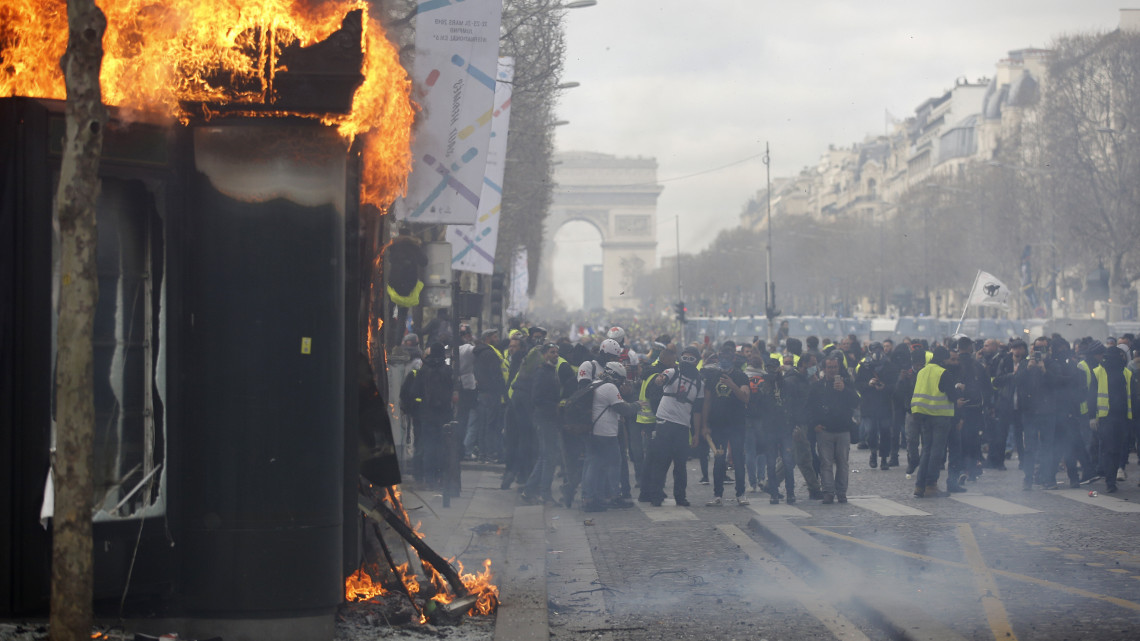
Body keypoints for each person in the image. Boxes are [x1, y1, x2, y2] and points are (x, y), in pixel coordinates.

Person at [640, 346, 705, 507]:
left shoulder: (699, 383)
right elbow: (661, 379)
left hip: (682, 427)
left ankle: (680, 497)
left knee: (681, 465)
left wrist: (696, 433)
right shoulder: (672, 372)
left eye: (692, 359)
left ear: (697, 361)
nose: (687, 361)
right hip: (664, 423)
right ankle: (655, 495)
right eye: (685, 357)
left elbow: (697, 411)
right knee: (660, 461)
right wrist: (659, 380)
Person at [582, 362, 642, 512]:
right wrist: (637, 405)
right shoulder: (609, 387)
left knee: (595, 465)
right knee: (614, 464)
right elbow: (623, 409)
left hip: (593, 431)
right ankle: (615, 496)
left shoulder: (595, 383)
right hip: (606, 432)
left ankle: (592, 498)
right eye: (622, 380)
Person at [521, 344, 573, 504]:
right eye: (552, 352)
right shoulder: (542, 372)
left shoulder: (551, 371)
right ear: (544, 355)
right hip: (545, 419)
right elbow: (537, 398)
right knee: (549, 457)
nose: (556, 355)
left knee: (545, 456)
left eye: (557, 352)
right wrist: (554, 406)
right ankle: (544, 493)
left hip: (549, 419)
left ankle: (530, 490)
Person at [702, 341, 751, 506]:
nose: (724, 359)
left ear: (733, 358)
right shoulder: (713, 376)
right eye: (722, 356)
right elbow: (707, 401)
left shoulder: (740, 376)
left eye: (728, 356)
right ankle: (717, 495)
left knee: (738, 459)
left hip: (737, 424)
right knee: (719, 460)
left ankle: (741, 493)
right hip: (717, 425)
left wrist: (732, 385)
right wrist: (704, 424)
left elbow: (745, 397)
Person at [810, 354, 859, 504]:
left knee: (843, 463)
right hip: (825, 430)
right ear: (824, 369)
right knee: (826, 463)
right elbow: (810, 408)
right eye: (829, 367)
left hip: (843, 429)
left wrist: (844, 390)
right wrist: (814, 425)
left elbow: (856, 402)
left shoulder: (847, 383)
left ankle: (841, 492)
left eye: (835, 367)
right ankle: (828, 492)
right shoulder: (818, 386)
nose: (832, 370)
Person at [913, 346, 960, 498]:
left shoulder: (922, 371)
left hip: (923, 415)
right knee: (936, 452)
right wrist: (959, 389)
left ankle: (919, 486)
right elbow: (952, 396)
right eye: (947, 359)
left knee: (926, 450)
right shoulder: (943, 372)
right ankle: (931, 485)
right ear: (943, 359)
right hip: (940, 415)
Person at [855, 342, 897, 470]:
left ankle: (884, 458)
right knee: (870, 432)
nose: (877, 352)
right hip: (869, 405)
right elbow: (857, 385)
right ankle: (873, 452)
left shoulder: (889, 366)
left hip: (884, 404)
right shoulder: (863, 366)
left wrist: (885, 387)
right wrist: (868, 384)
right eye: (875, 350)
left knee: (885, 433)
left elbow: (895, 385)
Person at [470, 328, 507, 462]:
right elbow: (496, 375)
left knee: (483, 425)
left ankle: (483, 454)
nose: (497, 340)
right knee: (491, 425)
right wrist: (503, 391)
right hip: (492, 394)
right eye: (495, 337)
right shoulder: (490, 354)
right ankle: (491, 454)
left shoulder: (479, 353)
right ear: (488, 338)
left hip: (482, 393)